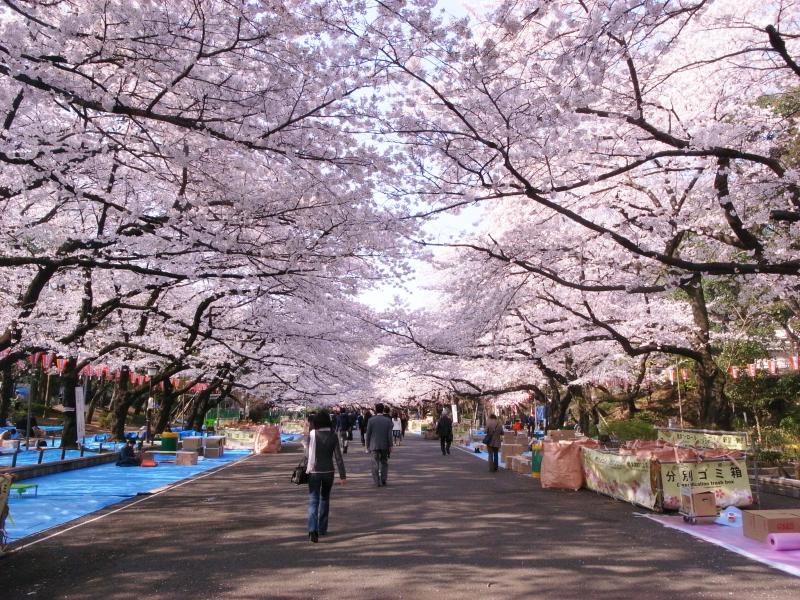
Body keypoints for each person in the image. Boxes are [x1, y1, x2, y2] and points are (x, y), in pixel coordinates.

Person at [305, 410, 346, 543]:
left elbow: (307, 455)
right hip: (329, 471)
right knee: (325, 499)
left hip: (314, 471)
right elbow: (338, 457)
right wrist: (343, 475)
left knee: (313, 500)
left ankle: (313, 530)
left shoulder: (312, 435)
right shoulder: (333, 436)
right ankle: (322, 528)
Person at [365, 402, 393, 487]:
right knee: (384, 462)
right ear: (383, 410)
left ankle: (376, 481)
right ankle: (383, 479)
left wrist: (367, 445)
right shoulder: (388, 420)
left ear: (376, 410)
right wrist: (390, 445)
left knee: (375, 463)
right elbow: (389, 435)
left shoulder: (371, 420)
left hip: (374, 445)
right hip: (385, 444)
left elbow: (368, 434)